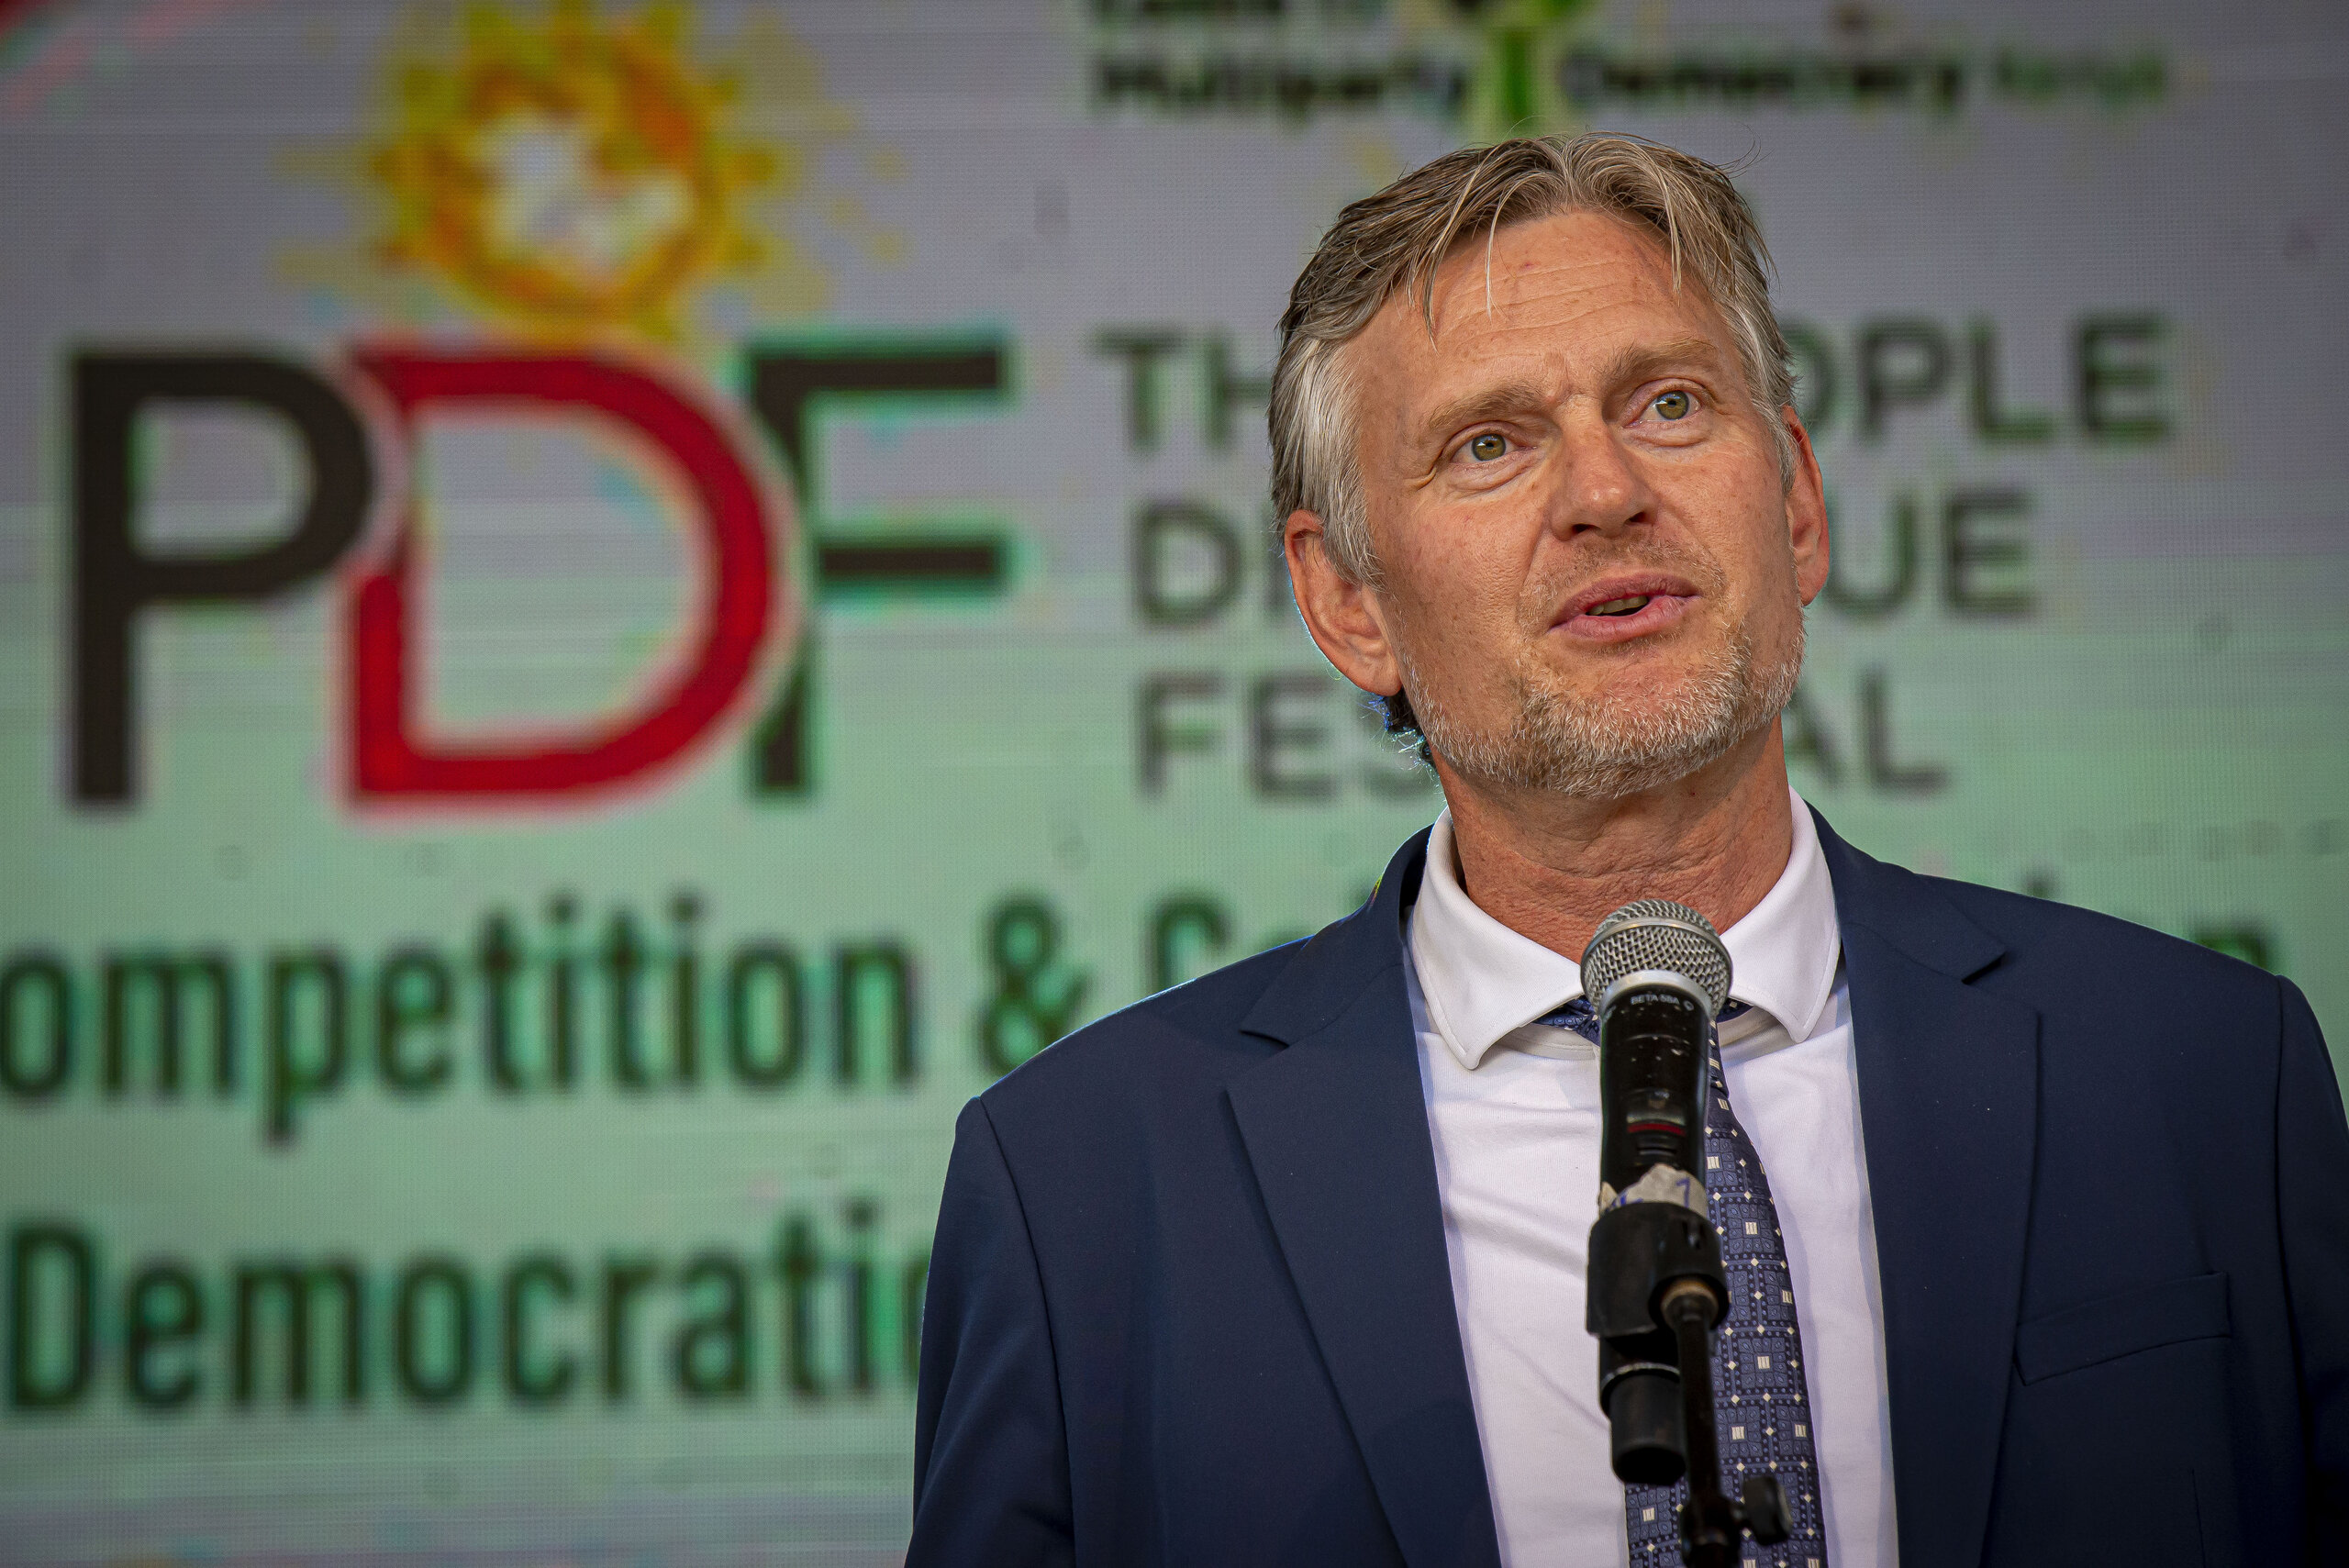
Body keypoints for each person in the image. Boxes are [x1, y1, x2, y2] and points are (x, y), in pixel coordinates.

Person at [906, 135, 2349, 1568]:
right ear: (1349, 601)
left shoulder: (2208, 1074)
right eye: (1489, 443)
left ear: (1796, 501)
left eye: (1668, 403)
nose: (1604, 491)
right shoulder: (1083, 1191)